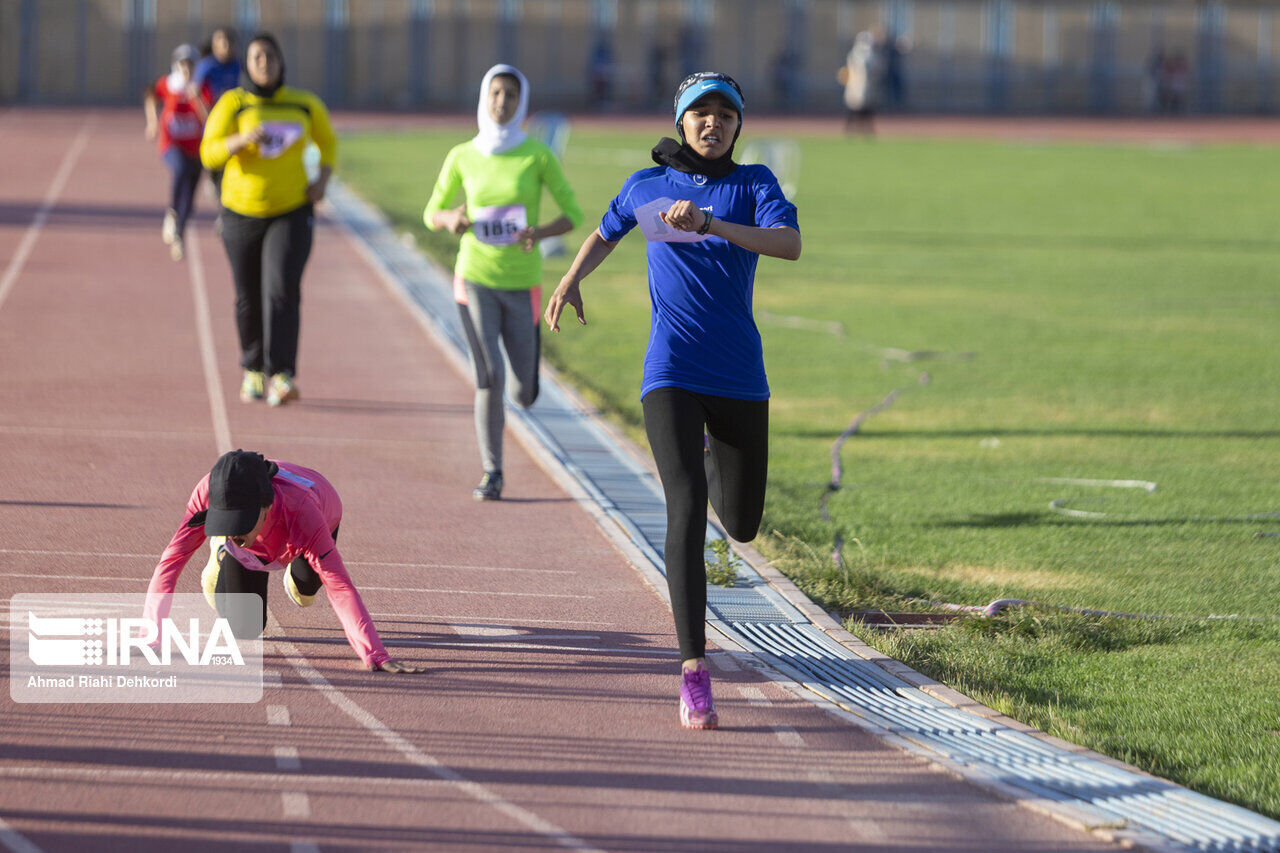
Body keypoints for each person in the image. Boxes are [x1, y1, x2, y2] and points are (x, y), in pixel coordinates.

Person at [544, 72, 801, 729]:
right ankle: (693, 670)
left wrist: (714, 222)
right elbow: (607, 229)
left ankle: (715, 454)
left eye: (724, 115)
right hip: (671, 371)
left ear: (737, 126)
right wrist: (573, 277)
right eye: (700, 114)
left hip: (740, 375)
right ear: (681, 122)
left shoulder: (755, 185)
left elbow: (789, 244)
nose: (712, 124)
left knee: (740, 524)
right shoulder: (646, 185)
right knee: (685, 502)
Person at [423, 64, 583, 501]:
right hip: (474, 278)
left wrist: (540, 232)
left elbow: (574, 214)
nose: (502, 102)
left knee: (524, 393)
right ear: (484, 96)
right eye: (495, 93)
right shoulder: (462, 155)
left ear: (521, 102)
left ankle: (526, 385)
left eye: (511, 95)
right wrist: (450, 217)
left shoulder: (536, 156)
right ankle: (492, 471)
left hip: (523, 283)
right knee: (489, 375)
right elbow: (431, 212)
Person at [145, 450, 423, 673]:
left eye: (239, 523)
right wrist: (152, 637)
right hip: (260, 544)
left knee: (304, 595)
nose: (233, 530)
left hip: (306, 527)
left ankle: (294, 568)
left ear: (265, 507)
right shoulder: (208, 492)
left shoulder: (303, 512)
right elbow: (172, 560)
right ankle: (220, 554)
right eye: (225, 523)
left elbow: (340, 588)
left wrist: (374, 652)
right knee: (244, 629)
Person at [200, 32, 335, 407]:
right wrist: (239, 143)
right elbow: (208, 153)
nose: (264, 63)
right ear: (247, 64)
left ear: (281, 62)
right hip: (241, 213)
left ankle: (282, 374)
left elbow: (329, 143)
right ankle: (252, 370)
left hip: (291, 211)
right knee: (248, 296)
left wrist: (321, 182)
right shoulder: (234, 104)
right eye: (257, 57)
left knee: (282, 291)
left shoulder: (304, 104)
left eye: (271, 56)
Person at [144, 44, 209, 262]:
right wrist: (153, 122)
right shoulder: (168, 84)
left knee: (190, 202)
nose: (186, 69)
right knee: (179, 169)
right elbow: (150, 94)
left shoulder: (202, 88)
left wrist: (197, 99)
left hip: (197, 150)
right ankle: (172, 213)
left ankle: (179, 232)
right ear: (176, 66)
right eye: (183, 65)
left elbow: (210, 119)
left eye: (190, 65)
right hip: (170, 144)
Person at [189, 27, 241, 227]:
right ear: (214, 45)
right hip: (212, 125)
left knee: (230, 171)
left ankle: (224, 214)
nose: (226, 46)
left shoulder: (238, 65)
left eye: (230, 42)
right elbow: (194, 91)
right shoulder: (207, 66)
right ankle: (212, 180)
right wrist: (207, 115)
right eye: (222, 42)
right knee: (215, 165)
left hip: (232, 125)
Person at [839, 30, 879, 136]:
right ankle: (851, 130)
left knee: (866, 111)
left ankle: (866, 130)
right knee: (854, 110)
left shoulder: (871, 56)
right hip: (855, 88)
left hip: (866, 88)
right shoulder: (854, 55)